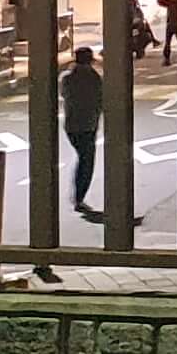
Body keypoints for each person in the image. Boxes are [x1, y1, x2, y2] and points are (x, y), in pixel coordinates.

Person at [62, 39, 105, 221]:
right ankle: (79, 196)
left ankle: (78, 196)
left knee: (82, 157)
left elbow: (64, 95)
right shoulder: (94, 79)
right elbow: (100, 101)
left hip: (71, 125)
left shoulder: (67, 78)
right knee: (86, 161)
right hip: (88, 125)